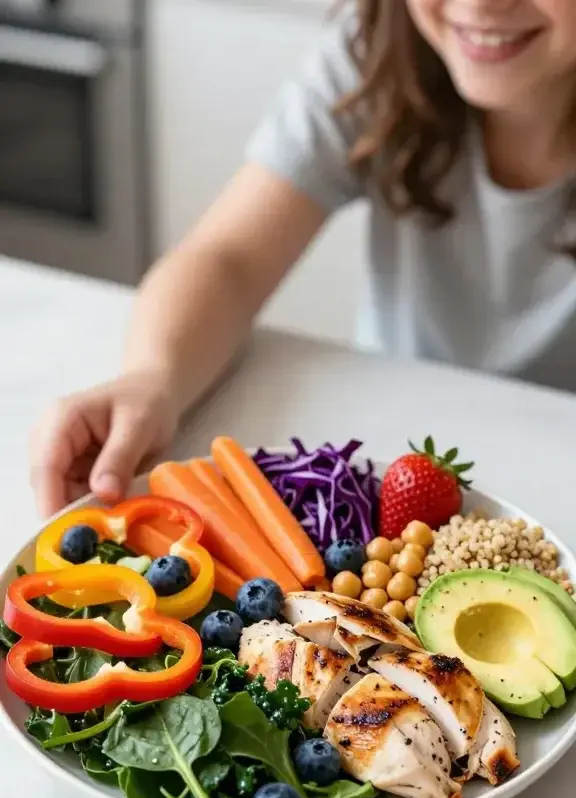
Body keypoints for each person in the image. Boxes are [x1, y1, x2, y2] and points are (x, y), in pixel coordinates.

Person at [30, 1, 576, 517]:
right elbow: (228, 257)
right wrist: (153, 377)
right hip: (394, 440)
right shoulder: (377, 54)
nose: (479, 5)